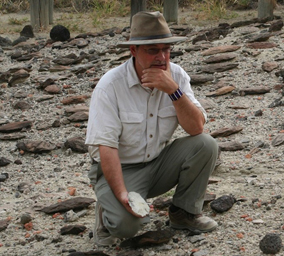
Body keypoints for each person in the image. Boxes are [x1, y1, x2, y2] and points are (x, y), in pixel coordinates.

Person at [85, 11, 219, 246]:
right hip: (119, 169)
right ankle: (106, 213)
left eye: (166, 49)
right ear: (133, 51)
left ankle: (184, 214)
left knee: (205, 145)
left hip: (158, 164)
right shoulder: (110, 86)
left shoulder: (176, 75)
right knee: (126, 228)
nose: (162, 57)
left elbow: (196, 128)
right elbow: (106, 148)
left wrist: (174, 91)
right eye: (152, 50)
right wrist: (121, 195)